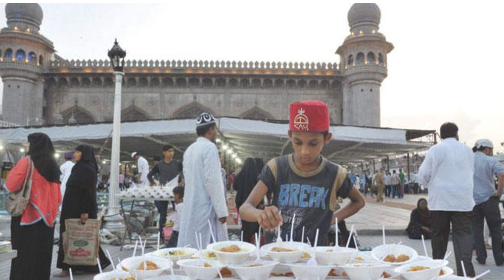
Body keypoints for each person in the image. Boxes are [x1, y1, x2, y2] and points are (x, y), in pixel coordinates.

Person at [239, 100, 365, 245]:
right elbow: (245, 208)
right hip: (279, 250)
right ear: (290, 136)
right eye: (298, 142)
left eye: (313, 143)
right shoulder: (276, 167)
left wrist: (331, 219)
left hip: (315, 255)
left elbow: (359, 201)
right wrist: (261, 214)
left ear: (327, 139)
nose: (305, 151)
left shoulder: (334, 173)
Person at [417, 122, 475, 277]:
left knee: (439, 237)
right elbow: (471, 172)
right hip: (463, 202)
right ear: (457, 134)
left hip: (440, 202)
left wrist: (428, 184)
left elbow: (422, 175)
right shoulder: (467, 150)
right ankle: (466, 274)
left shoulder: (435, 150)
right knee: (463, 237)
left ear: (441, 136)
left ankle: (437, 272)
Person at [5, 133, 62, 280]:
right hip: (47, 219)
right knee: (42, 255)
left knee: (23, 254)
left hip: (27, 216)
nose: (26, 145)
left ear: (35, 144)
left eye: (28, 142)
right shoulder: (53, 165)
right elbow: (58, 195)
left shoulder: (27, 161)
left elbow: (11, 184)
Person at [54, 144, 111, 277]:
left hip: (78, 209)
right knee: (77, 236)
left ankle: (67, 268)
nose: (75, 154)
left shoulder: (86, 169)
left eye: (78, 151)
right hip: (72, 207)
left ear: (84, 154)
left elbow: (87, 192)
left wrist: (84, 211)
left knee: (73, 236)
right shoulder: (79, 167)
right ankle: (91, 265)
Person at [178, 113, 229, 249]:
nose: (217, 133)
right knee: (207, 247)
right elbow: (213, 181)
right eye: (216, 130)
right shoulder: (210, 148)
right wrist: (222, 211)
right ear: (210, 130)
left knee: (192, 244)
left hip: (192, 205)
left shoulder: (189, 150)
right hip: (205, 207)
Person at [471, 139, 504, 265]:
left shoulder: (469, 159)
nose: (492, 153)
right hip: (489, 199)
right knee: (495, 230)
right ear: (486, 149)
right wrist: (499, 192)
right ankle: (499, 259)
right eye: (492, 150)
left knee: (477, 231)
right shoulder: (490, 160)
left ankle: (481, 258)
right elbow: (502, 175)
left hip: (473, 201)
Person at [147, 145, 183, 243]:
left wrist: (182, 181)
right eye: (169, 151)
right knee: (163, 214)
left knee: (179, 211)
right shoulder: (160, 165)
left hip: (176, 191)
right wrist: (153, 183)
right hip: (163, 191)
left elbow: (185, 171)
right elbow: (149, 175)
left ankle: (180, 233)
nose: (171, 153)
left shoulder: (177, 163)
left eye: (172, 151)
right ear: (164, 153)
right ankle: (161, 236)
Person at [234, 158, 261, 243]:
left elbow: (235, 186)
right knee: (254, 225)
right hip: (253, 204)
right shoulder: (257, 177)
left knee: (245, 225)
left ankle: (244, 242)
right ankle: (255, 242)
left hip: (241, 203)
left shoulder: (240, 175)